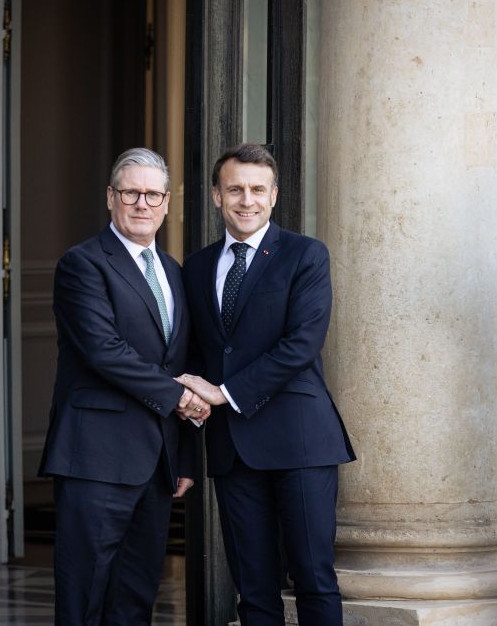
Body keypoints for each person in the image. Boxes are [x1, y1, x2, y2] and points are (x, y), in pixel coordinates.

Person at [178, 143, 355, 625]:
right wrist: (190, 394)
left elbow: (302, 344)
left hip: (300, 440)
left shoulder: (305, 255)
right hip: (233, 449)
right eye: (234, 189)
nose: (246, 200)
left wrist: (224, 393)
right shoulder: (194, 268)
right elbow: (198, 353)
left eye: (258, 189)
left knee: (314, 579)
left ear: (274, 196)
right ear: (217, 196)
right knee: (253, 590)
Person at [38, 147, 207, 625]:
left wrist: (185, 456)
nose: (142, 204)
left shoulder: (175, 272)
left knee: (135, 598)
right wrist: (180, 398)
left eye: (153, 194)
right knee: (84, 599)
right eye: (131, 192)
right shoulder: (83, 264)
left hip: (156, 463)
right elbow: (103, 350)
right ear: (110, 198)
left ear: (167, 202)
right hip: (95, 457)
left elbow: (183, 358)